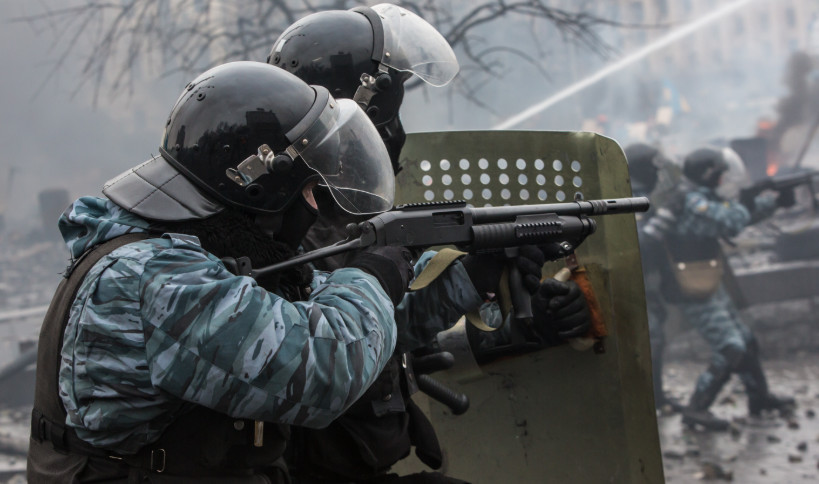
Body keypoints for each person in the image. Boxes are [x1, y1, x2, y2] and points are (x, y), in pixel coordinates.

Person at [27, 61, 426, 483]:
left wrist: (456, 281)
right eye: (309, 189)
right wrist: (374, 276)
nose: (314, 205)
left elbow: (328, 310)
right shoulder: (158, 279)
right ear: (262, 186)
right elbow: (329, 369)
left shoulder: (202, 255)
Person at [268, 5, 591, 482]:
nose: (395, 134)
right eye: (387, 118)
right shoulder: (287, 234)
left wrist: (479, 281)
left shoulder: (340, 217)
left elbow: (391, 325)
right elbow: (338, 340)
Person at [643, 146, 795, 431]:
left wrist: (772, 203)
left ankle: (760, 398)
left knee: (746, 340)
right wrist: (751, 199)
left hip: (707, 279)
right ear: (708, 174)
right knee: (730, 348)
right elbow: (731, 220)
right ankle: (697, 408)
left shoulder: (698, 195)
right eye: (721, 174)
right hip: (691, 288)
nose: (724, 179)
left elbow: (733, 214)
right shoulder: (691, 201)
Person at [624, 143, 682, 414]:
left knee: (655, 341)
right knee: (651, 342)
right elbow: (641, 243)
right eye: (653, 169)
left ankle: (655, 399)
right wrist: (667, 216)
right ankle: (647, 402)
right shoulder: (629, 198)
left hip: (647, 285)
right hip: (632, 287)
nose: (659, 174)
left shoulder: (641, 196)